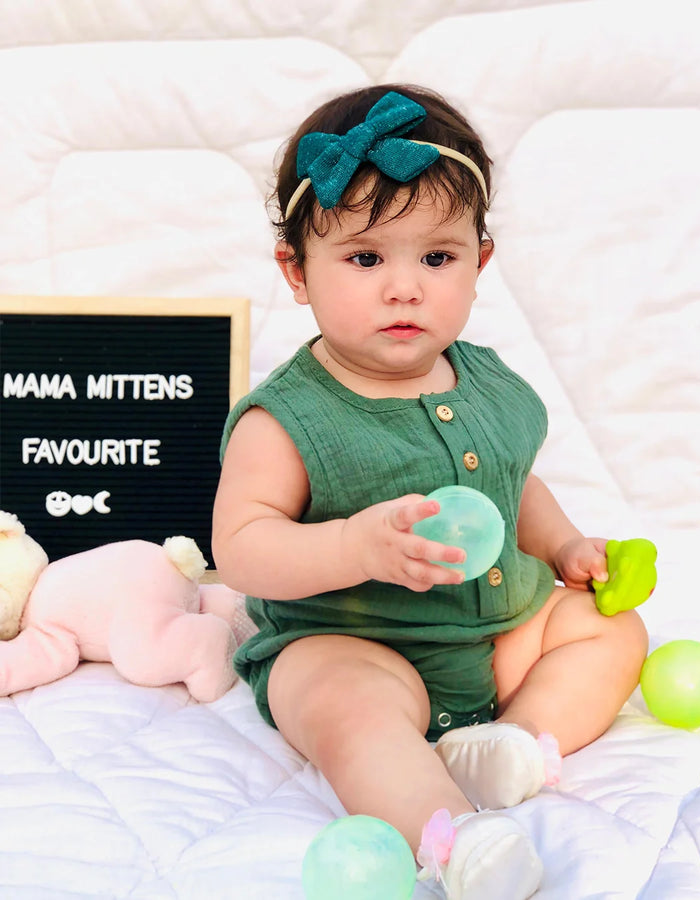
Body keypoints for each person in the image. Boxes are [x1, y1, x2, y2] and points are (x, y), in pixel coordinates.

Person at [212, 84, 648, 899]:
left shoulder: (488, 381)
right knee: (350, 714)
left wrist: (563, 547)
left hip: (495, 637)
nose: (405, 287)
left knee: (612, 630)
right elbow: (240, 548)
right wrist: (354, 545)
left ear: (479, 263)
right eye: (366, 258)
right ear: (296, 272)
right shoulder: (287, 419)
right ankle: (456, 841)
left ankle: (509, 746)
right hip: (357, 645)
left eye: (437, 257)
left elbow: (516, 483)